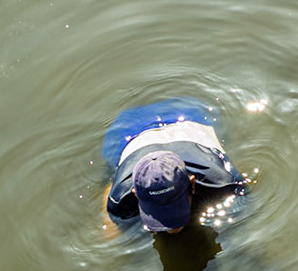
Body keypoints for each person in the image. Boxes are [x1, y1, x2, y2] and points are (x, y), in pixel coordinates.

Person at [100, 98, 246, 236]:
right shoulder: (119, 200)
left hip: (191, 115)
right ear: (135, 193)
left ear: (193, 183)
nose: (172, 227)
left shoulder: (223, 182)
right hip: (129, 130)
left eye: (175, 208)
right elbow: (111, 219)